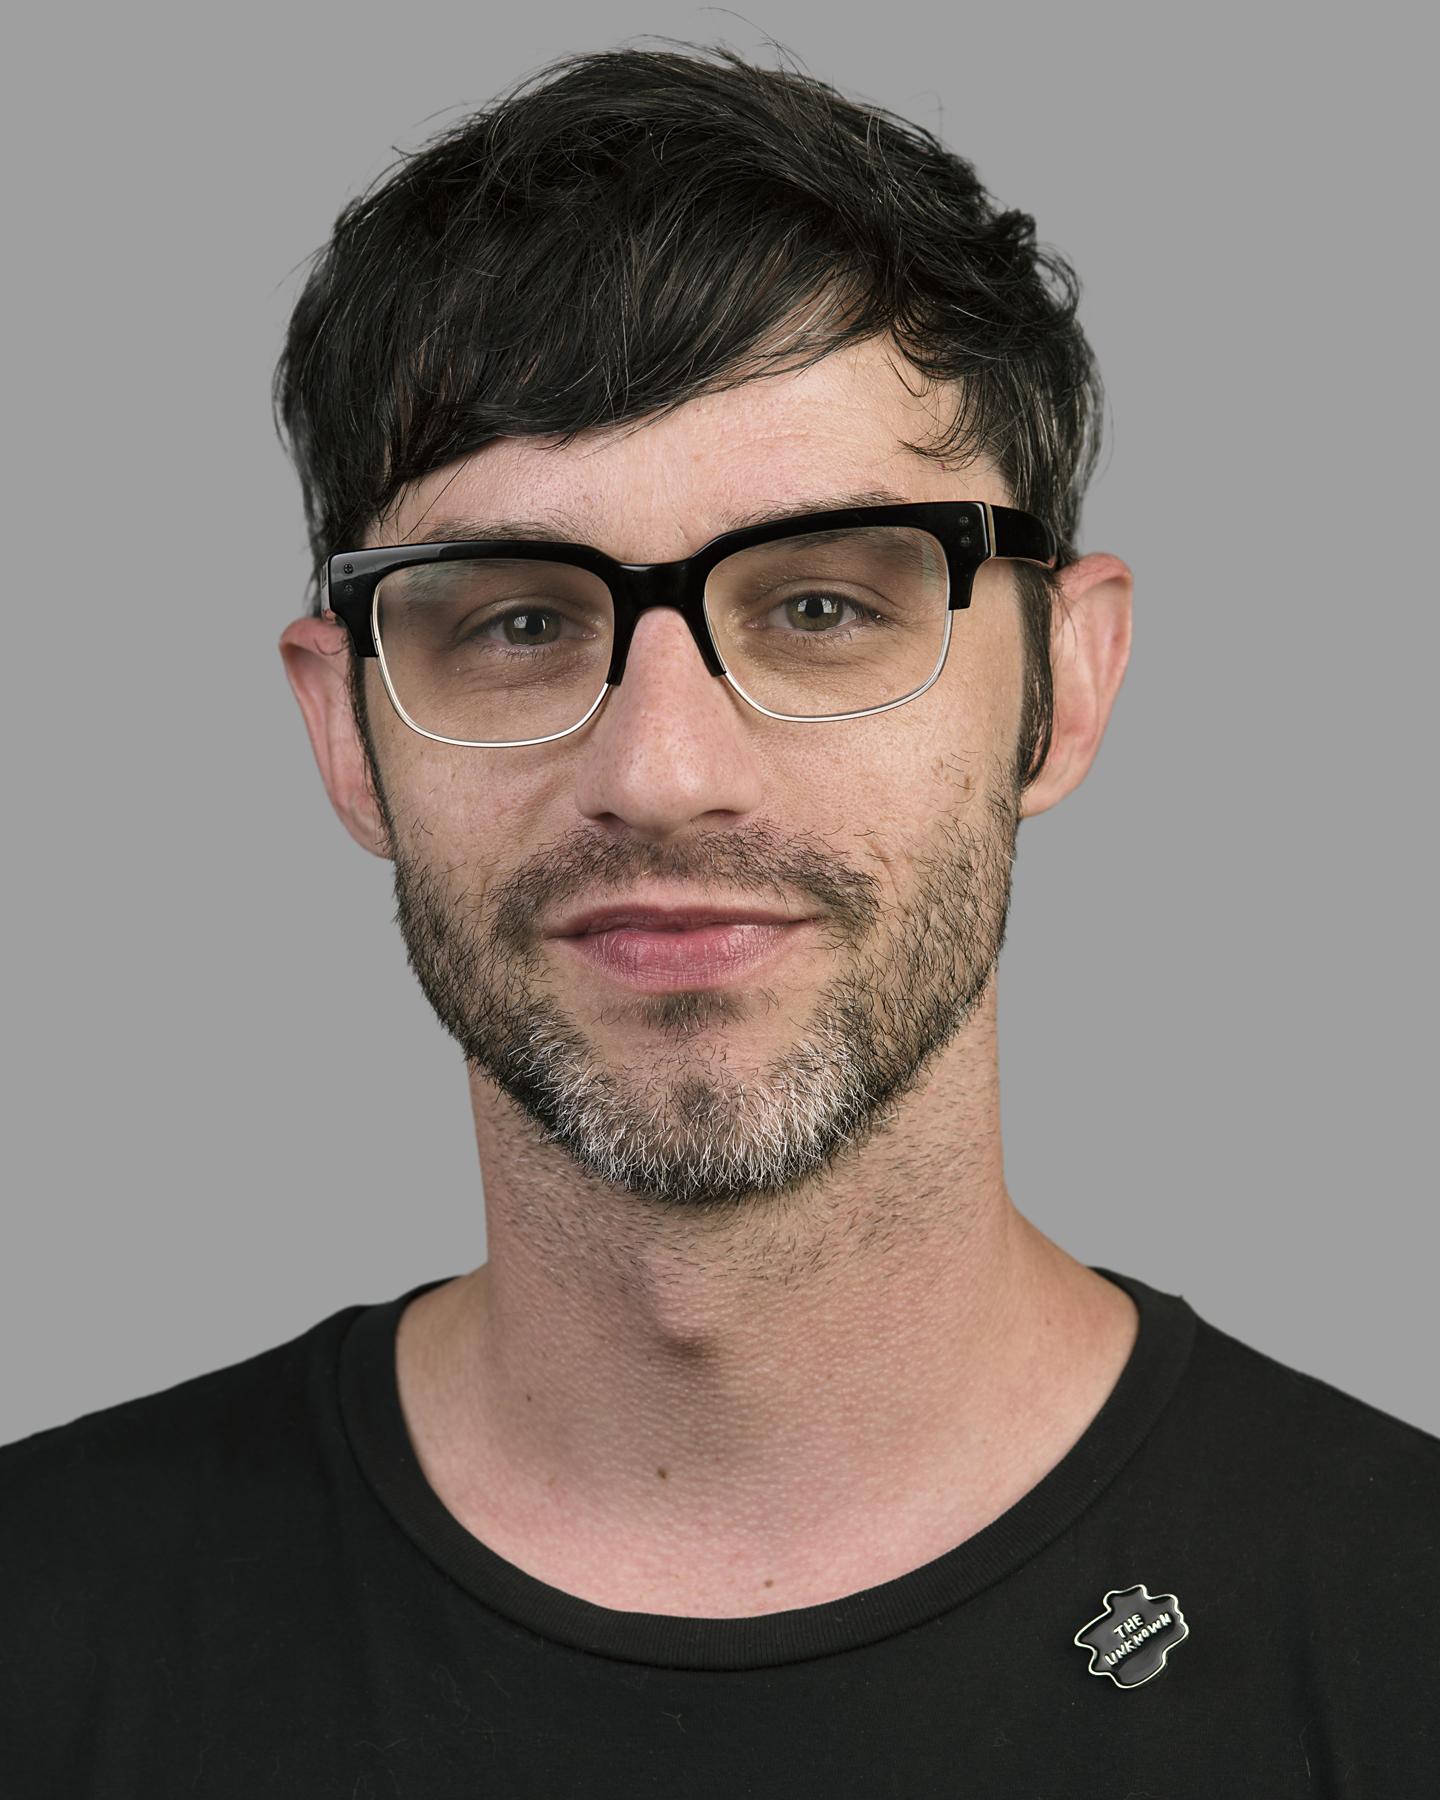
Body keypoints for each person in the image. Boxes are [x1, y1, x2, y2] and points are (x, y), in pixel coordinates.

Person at [3, 43, 1436, 1798]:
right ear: (346, 729)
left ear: (1062, 680)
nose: (665, 774)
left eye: (824, 603)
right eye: (518, 623)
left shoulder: (1402, 1630)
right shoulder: (43, 1628)